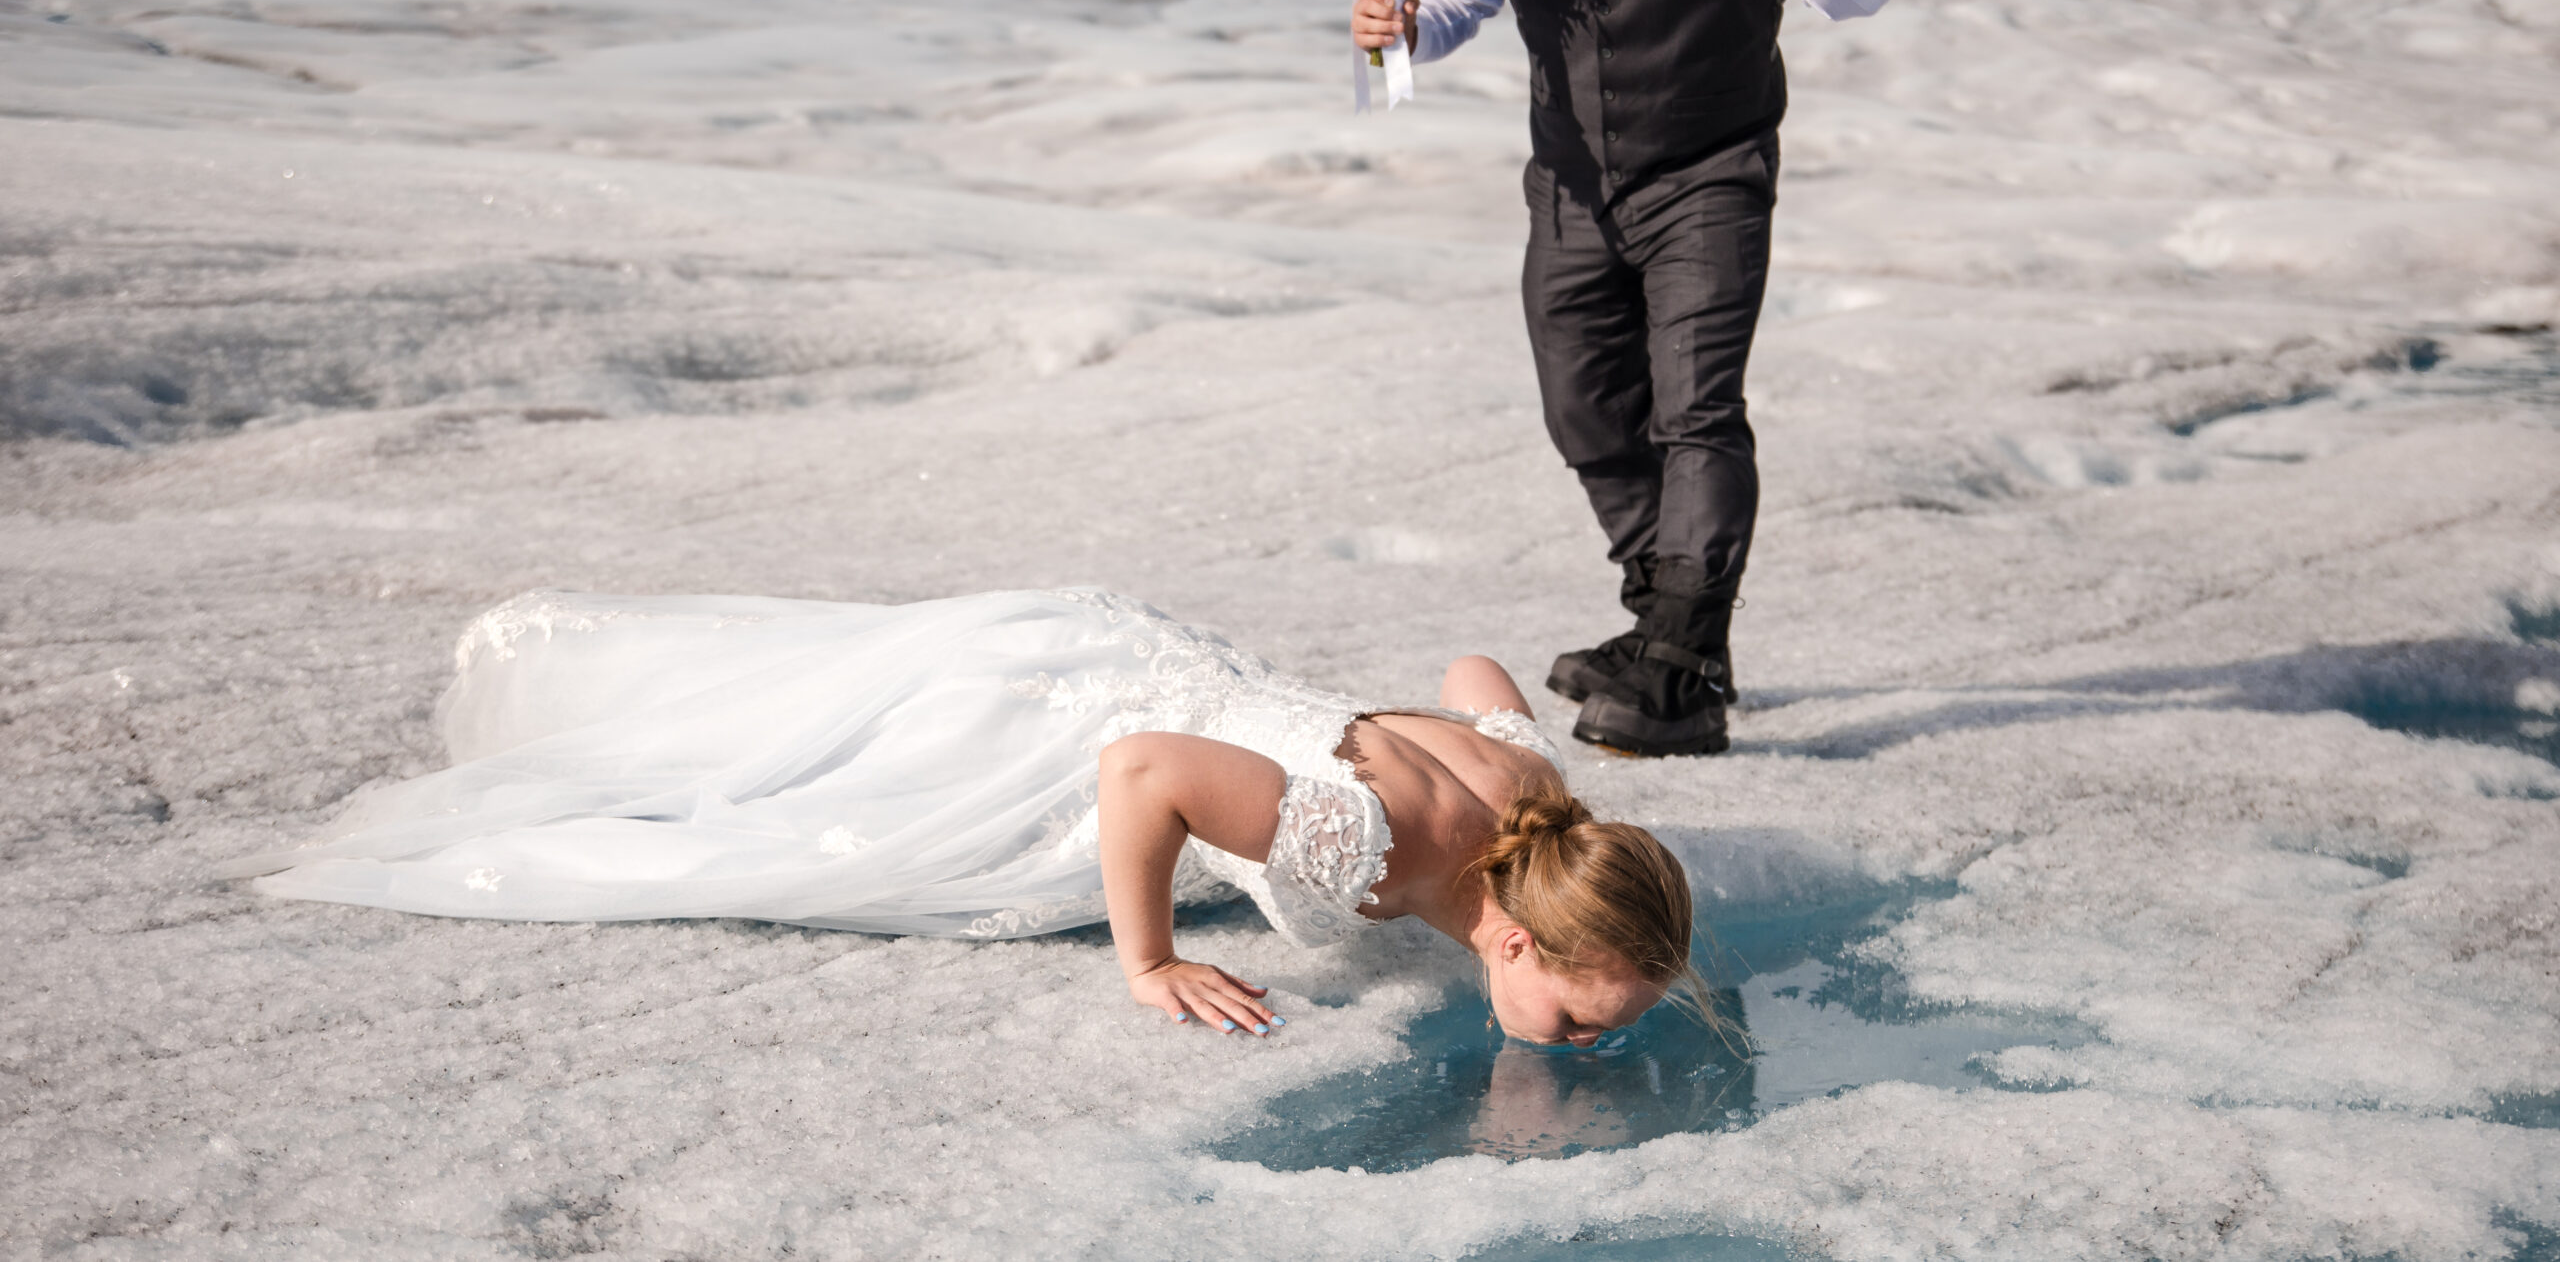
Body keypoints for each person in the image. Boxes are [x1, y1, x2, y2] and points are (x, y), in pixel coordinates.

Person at [229, 587, 1702, 1045]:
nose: (1586, 1037)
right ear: (1506, 932)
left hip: (1160, 652)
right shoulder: (1360, 844)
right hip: (1053, 728)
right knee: (786, 812)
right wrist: (1147, 958)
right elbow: (1142, 771)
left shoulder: (1531, 787)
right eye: (1578, 1015)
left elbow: (1476, 673)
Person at [1352, 0, 1893, 758]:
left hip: (1708, 174)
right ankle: (1665, 618)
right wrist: (1410, 22)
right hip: (1568, 183)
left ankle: (1681, 672)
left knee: (1693, 409)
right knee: (1584, 409)